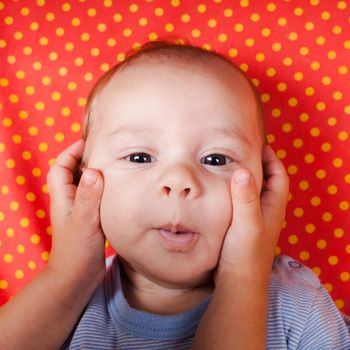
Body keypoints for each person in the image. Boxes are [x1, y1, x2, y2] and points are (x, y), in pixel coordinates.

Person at [0, 41, 348, 349]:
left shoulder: (297, 304)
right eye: (139, 157)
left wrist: (244, 276)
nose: (179, 181)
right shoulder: (60, 305)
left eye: (216, 159)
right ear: (82, 182)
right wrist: (67, 274)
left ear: (265, 185)